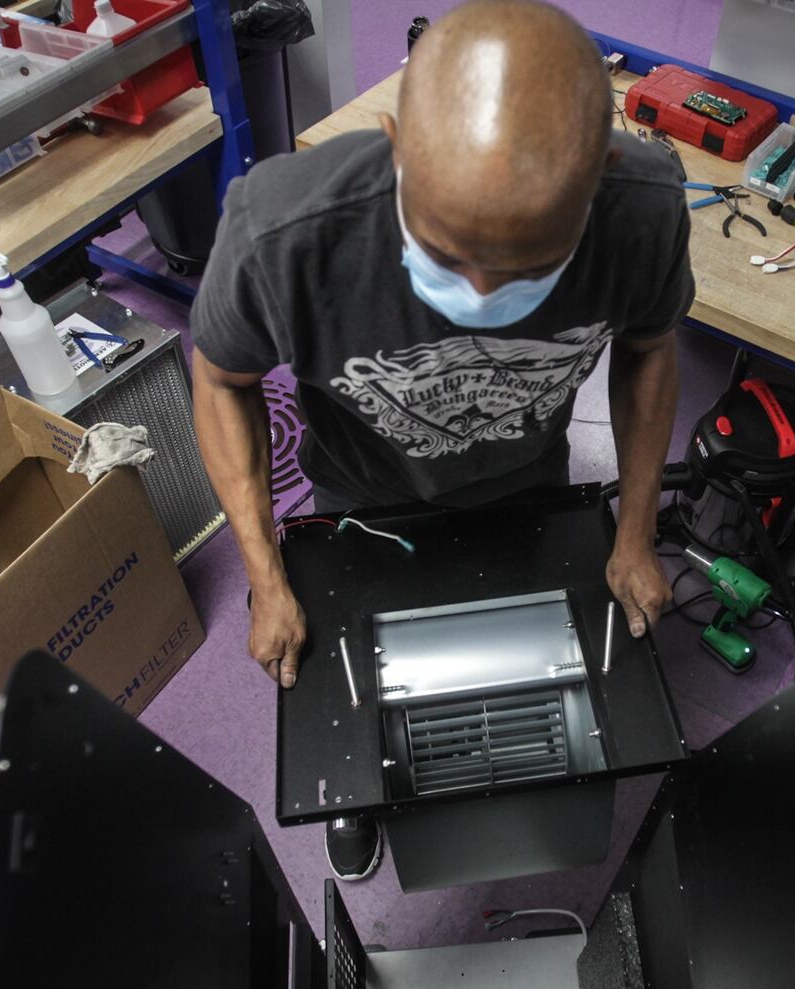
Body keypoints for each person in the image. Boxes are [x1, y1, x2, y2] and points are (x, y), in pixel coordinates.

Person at [190, 0, 693, 881]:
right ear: (394, 143)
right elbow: (221, 382)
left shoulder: (642, 210)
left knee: (516, 674)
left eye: (530, 267)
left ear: (599, 176)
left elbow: (650, 352)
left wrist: (635, 531)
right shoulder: (282, 233)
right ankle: (363, 796)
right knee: (355, 692)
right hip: (359, 488)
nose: (481, 289)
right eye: (449, 250)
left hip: (530, 478)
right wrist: (264, 574)